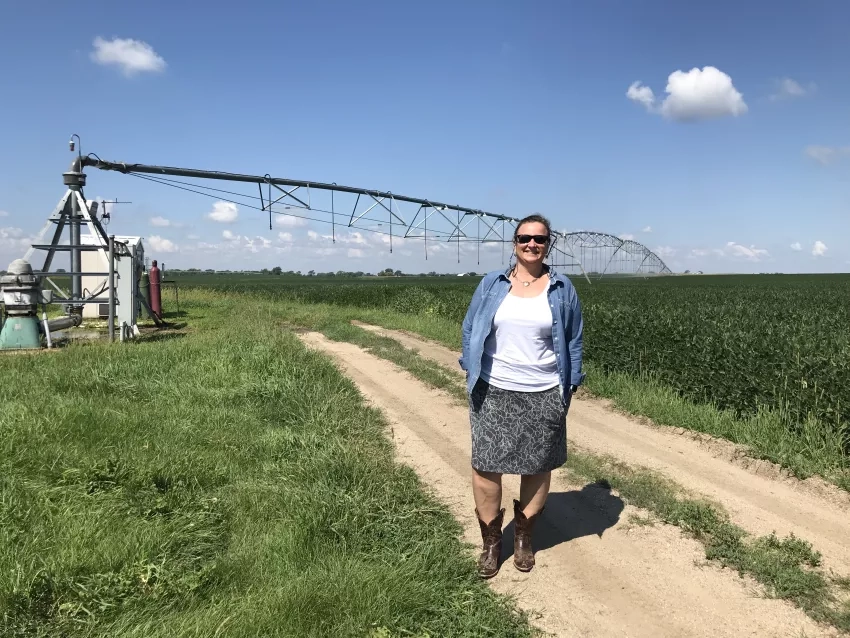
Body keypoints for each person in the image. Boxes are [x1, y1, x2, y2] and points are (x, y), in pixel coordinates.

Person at [459, 213, 585, 578]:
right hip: (493, 387)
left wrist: (570, 385)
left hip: (544, 390)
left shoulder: (562, 288)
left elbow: (574, 340)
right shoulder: (492, 283)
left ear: (549, 245)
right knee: (486, 463)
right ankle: (491, 543)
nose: (532, 244)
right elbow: (470, 328)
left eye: (540, 239)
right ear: (514, 243)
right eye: (524, 237)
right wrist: (471, 366)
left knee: (537, 464)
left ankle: (524, 539)